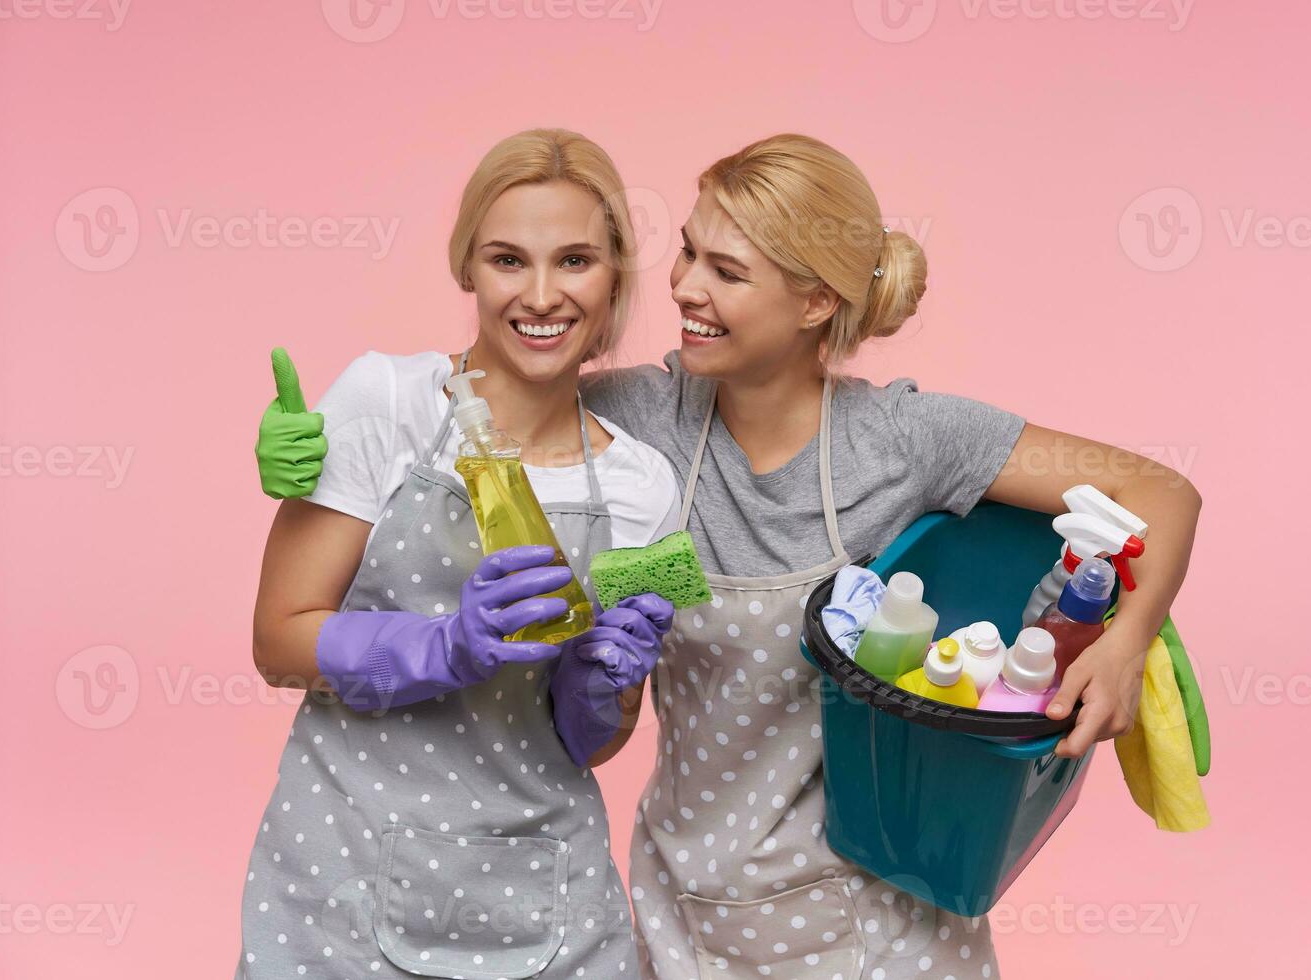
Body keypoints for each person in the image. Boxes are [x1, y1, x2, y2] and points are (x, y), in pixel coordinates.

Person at [254, 132, 1203, 980]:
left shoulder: (908, 438)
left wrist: (1124, 645)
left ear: (815, 299)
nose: (684, 289)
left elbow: (1160, 491)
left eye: (727, 271)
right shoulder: (638, 427)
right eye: (686, 253)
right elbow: (502, 376)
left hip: (876, 905)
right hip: (688, 906)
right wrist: (324, 442)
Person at [238, 129, 680, 979]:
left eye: (576, 261)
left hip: (547, 897)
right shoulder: (384, 400)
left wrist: (603, 689)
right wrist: (442, 648)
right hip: (344, 875)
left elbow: (602, 741)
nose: (543, 295)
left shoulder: (648, 484)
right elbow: (275, 642)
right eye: (509, 260)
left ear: (615, 273)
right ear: (467, 269)